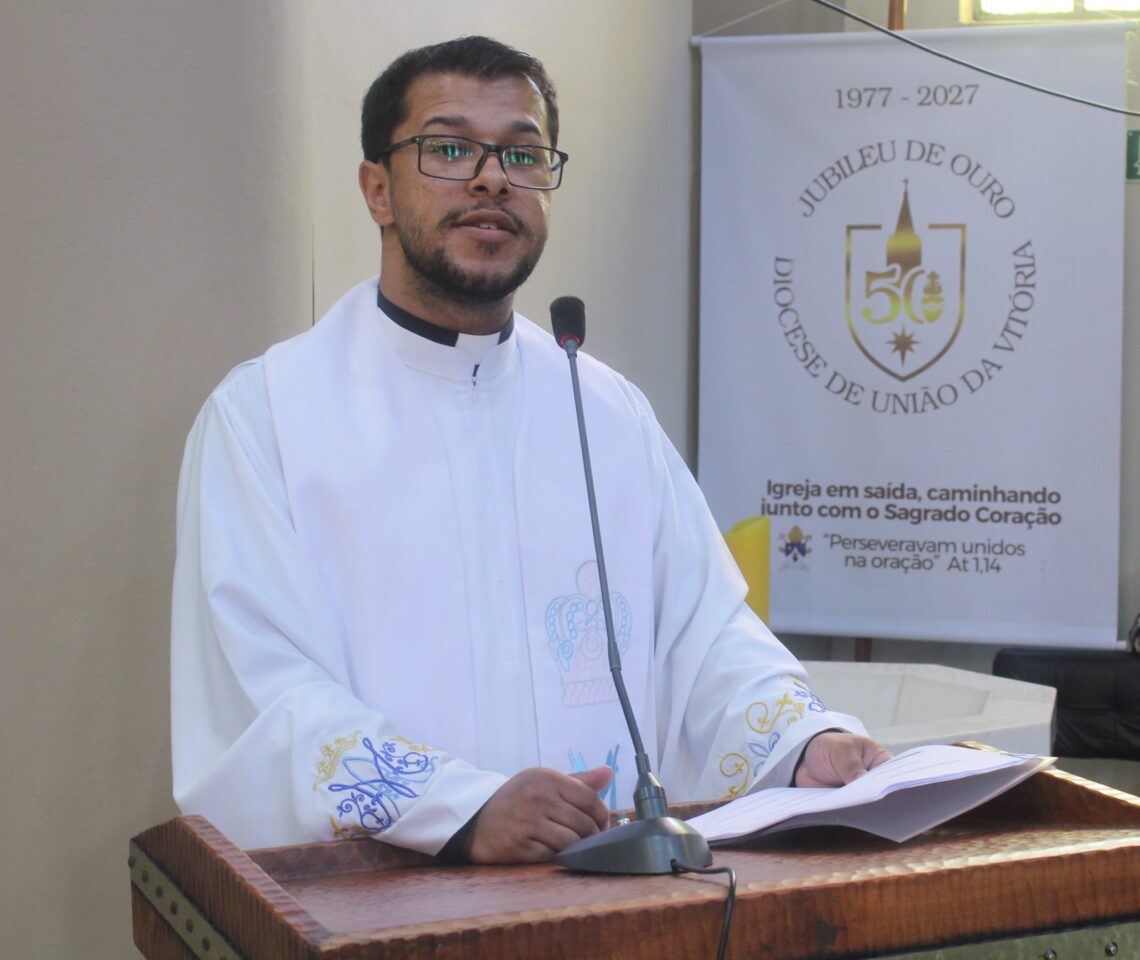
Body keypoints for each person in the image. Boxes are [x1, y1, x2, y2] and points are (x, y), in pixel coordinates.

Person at [171, 35, 890, 864]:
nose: (491, 178)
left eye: (523, 152)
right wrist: (463, 809)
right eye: (448, 149)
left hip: (609, 907)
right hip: (381, 913)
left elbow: (705, 638)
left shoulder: (607, 412)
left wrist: (804, 741)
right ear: (376, 187)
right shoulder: (267, 416)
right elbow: (262, 695)